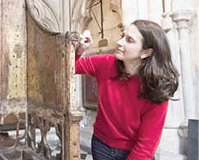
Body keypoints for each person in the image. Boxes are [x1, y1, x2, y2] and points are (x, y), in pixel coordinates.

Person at [75, 20, 179, 160]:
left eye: (129, 40)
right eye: (123, 36)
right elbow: (72, 67)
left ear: (146, 52)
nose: (120, 42)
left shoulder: (157, 88)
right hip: (101, 145)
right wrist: (79, 51)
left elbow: (146, 146)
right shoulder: (106, 63)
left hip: (135, 151)